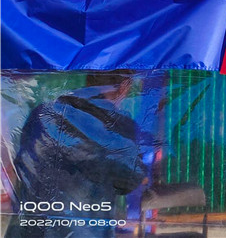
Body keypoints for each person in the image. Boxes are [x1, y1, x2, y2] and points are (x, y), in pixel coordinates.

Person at [5, 71, 147, 238]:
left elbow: (21, 167)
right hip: (84, 230)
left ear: (88, 80)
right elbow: (128, 180)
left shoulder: (43, 113)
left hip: (30, 228)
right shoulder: (120, 126)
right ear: (124, 86)